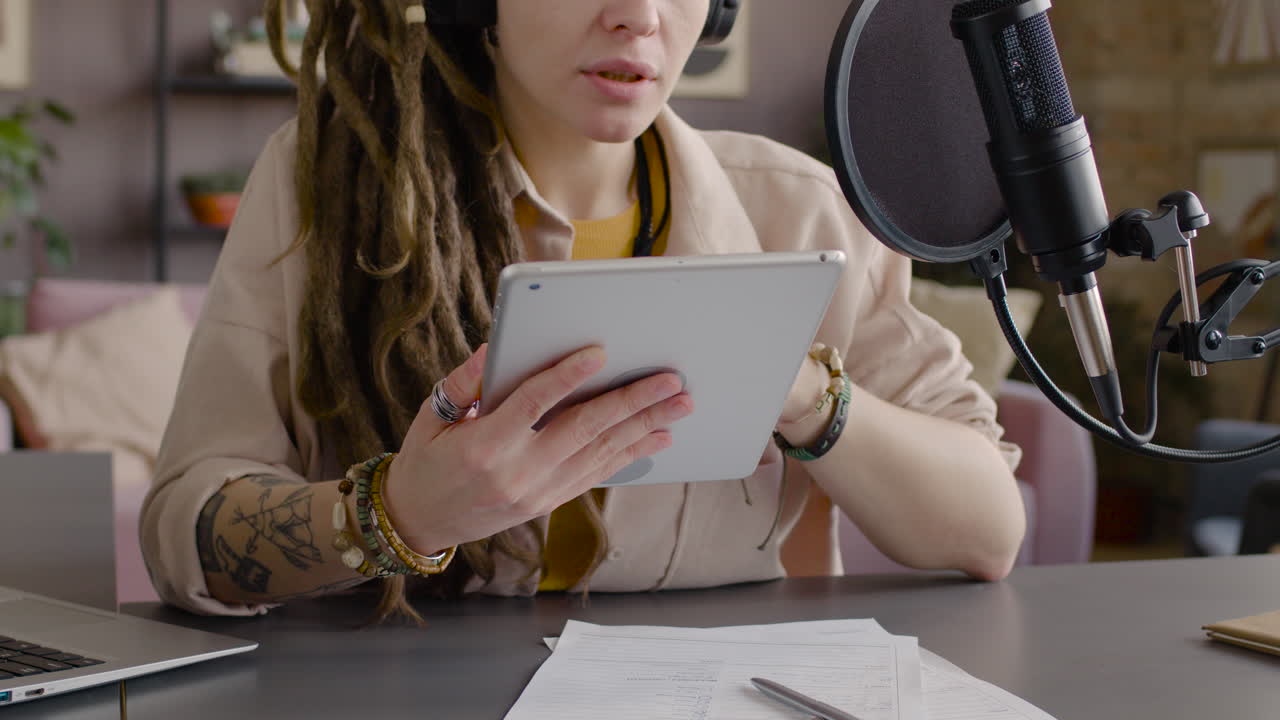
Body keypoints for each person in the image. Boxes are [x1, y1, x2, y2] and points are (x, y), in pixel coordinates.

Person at [141, 0, 1027, 620]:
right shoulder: (322, 183)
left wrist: (803, 394)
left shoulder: (801, 208)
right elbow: (185, 533)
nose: (639, 15)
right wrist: (399, 514)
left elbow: (991, 531)